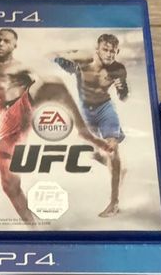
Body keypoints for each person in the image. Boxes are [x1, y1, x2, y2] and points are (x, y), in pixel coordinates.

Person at [0, 30, 108, 224]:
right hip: (5, 124)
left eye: (6, 41)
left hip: (24, 109)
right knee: (10, 186)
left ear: (14, 46)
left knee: (53, 85)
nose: (0, 43)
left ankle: (85, 135)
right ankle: (33, 227)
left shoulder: (21, 67)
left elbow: (45, 87)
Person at [54, 33, 129, 217]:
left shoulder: (118, 69)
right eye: (106, 49)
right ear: (97, 49)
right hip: (85, 112)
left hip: (105, 109)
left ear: (117, 52)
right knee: (92, 154)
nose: (109, 54)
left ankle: (114, 203)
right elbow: (55, 57)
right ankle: (118, 169)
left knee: (112, 149)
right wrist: (61, 59)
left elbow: (123, 96)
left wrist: (122, 89)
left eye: (113, 51)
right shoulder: (83, 62)